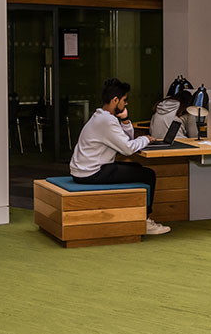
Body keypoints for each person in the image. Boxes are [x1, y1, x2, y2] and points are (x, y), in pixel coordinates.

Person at [70, 78, 170, 236]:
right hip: (92, 173)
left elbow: (126, 140)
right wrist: (146, 139)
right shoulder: (106, 121)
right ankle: (144, 221)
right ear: (115, 100)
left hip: (86, 170)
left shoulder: (101, 116)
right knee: (148, 175)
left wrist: (125, 120)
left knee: (137, 169)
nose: (126, 103)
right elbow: (128, 149)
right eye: (124, 100)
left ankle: (138, 216)